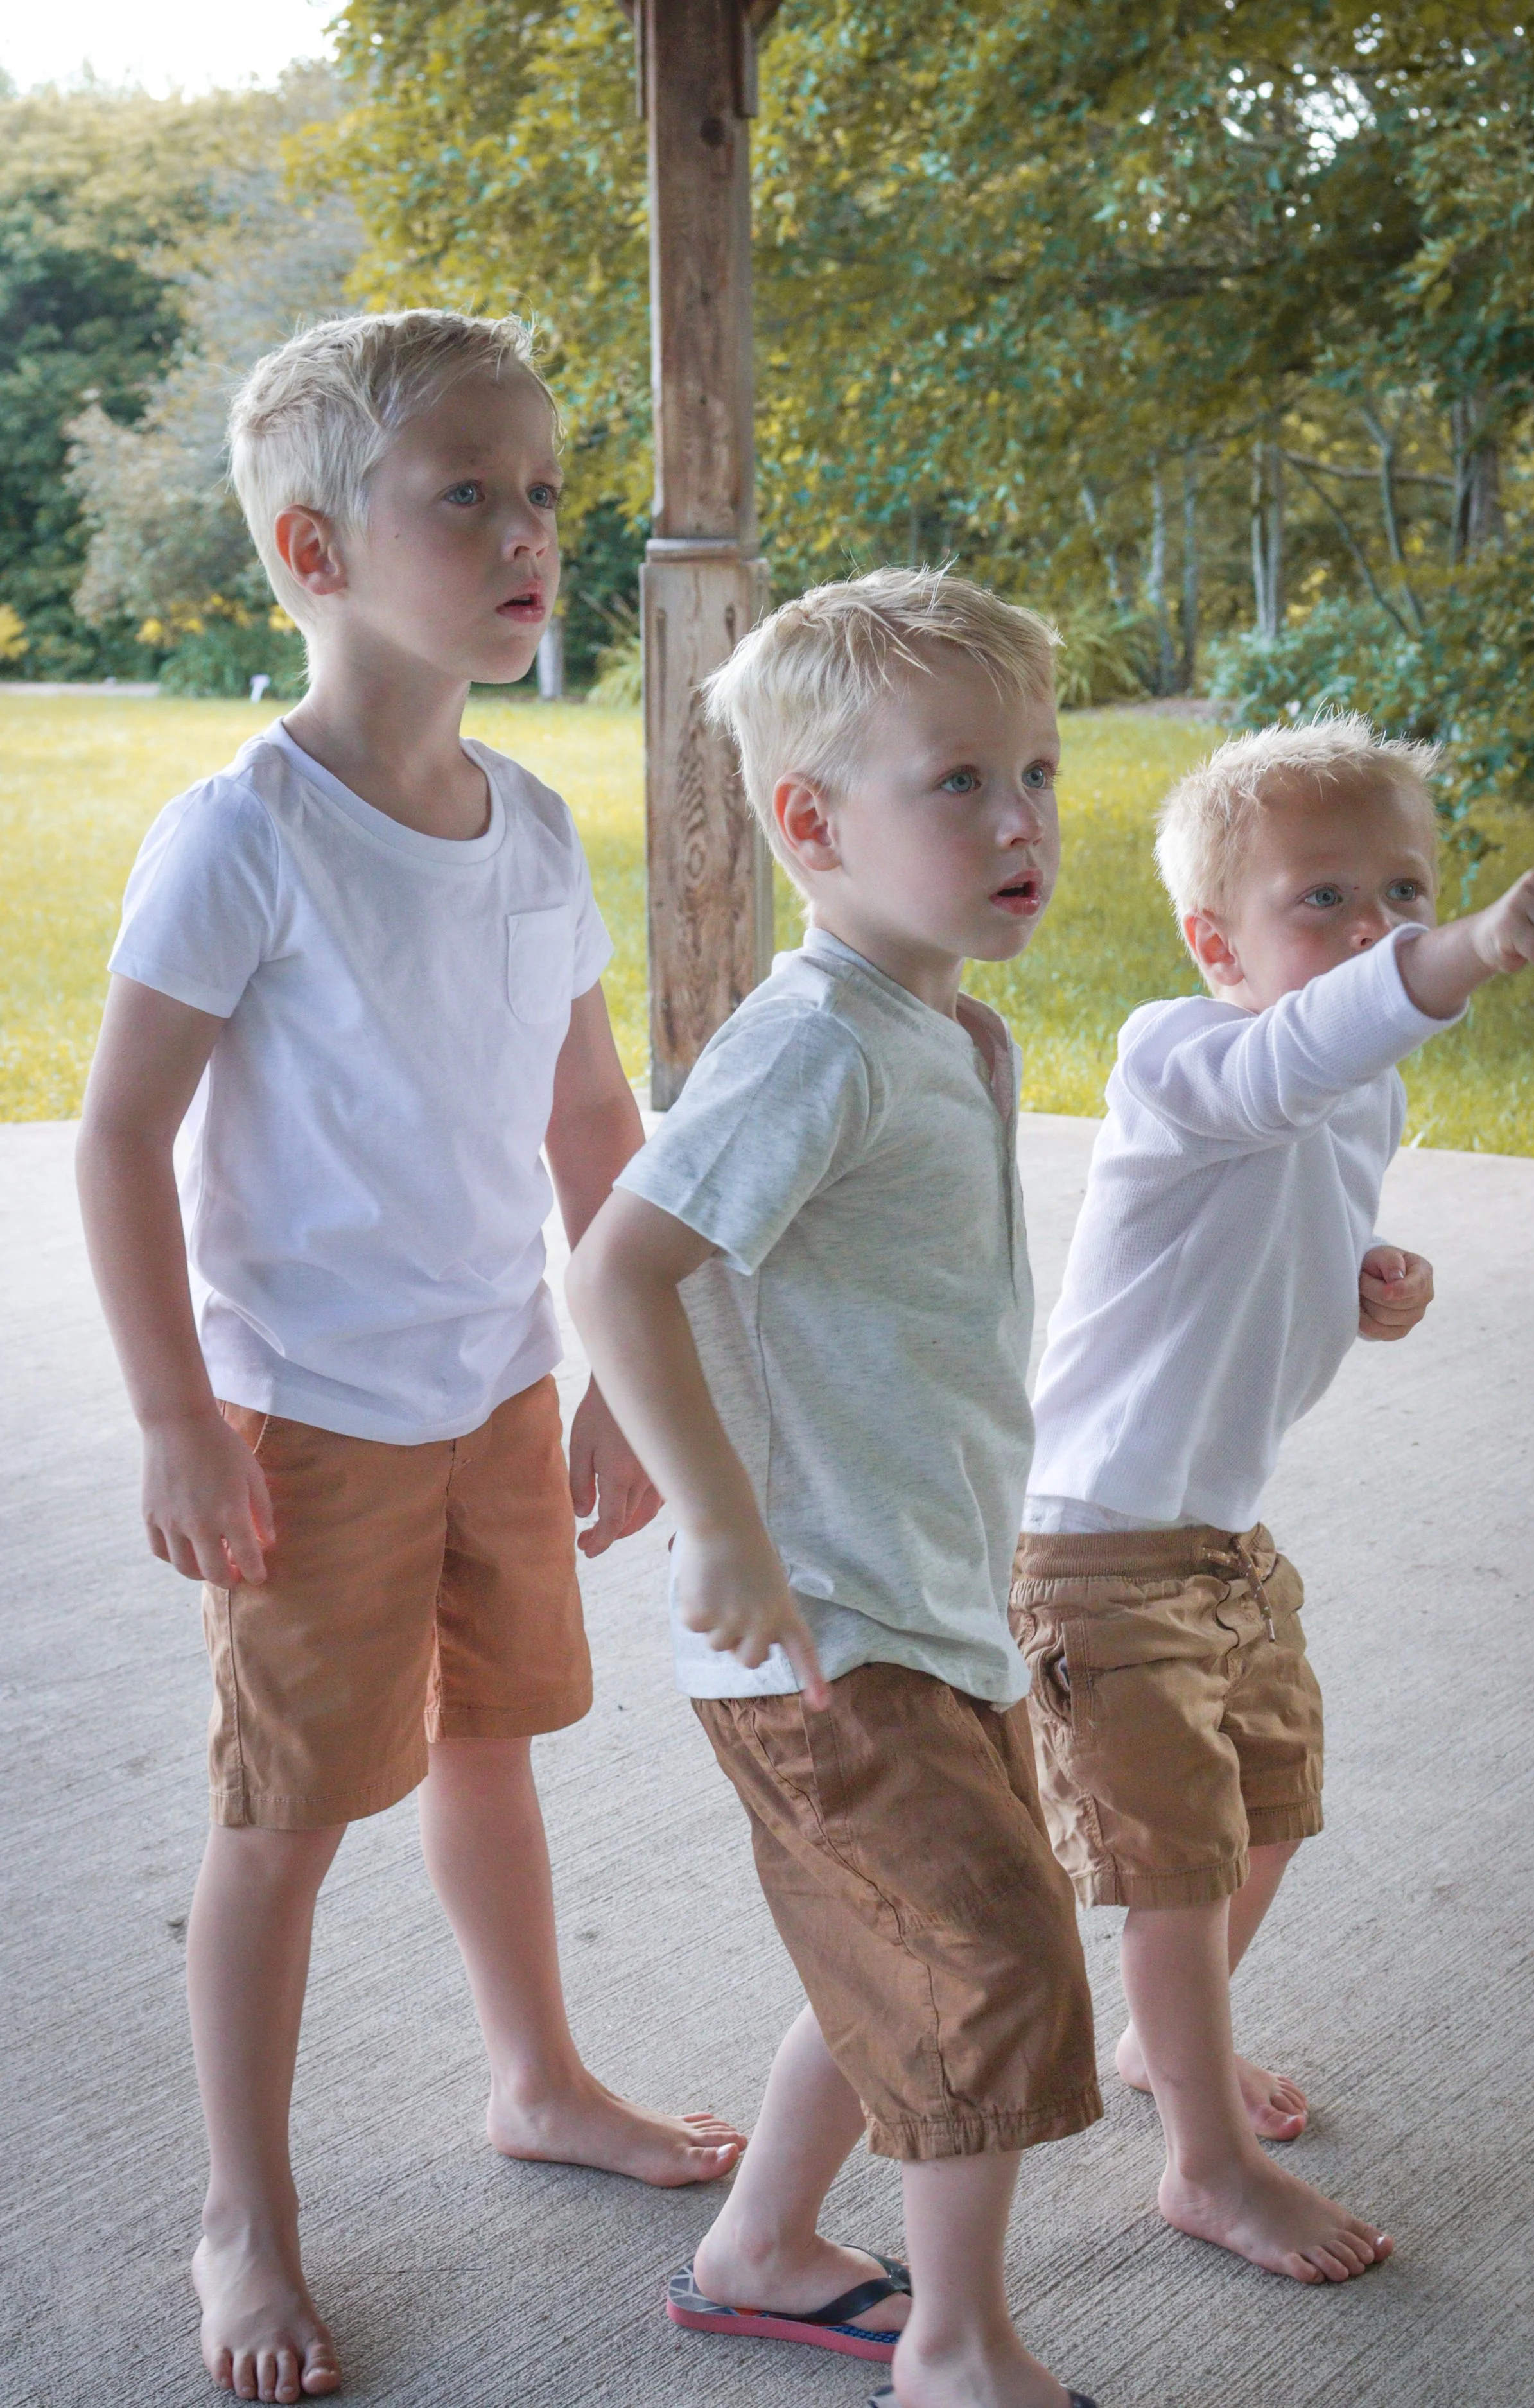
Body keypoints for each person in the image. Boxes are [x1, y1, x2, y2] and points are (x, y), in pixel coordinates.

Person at [75, 310, 745, 2408]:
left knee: (495, 1747)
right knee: (284, 1815)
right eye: (467, 494)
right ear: (313, 548)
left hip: (498, 1391)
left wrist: (622, 1377)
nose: (531, 531)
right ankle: (242, 2212)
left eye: (544, 491)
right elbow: (118, 1136)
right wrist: (176, 1414)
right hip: (307, 1418)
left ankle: (536, 2077)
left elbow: (592, 1124)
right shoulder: (247, 832)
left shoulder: (531, 830)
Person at [568, 568, 1103, 2408]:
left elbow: (740, 1267)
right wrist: (717, 1519)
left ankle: (760, 2250)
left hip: (926, 1591)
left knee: (900, 1941)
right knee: (983, 1961)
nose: (1019, 819)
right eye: (956, 781)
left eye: (1035, 772)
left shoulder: (946, 1029)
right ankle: (952, 2347)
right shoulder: (816, 1038)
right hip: (818, 1618)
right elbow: (622, 1261)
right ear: (807, 823)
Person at [1011, 714, 1534, 2285]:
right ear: (1213, 943)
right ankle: (1201, 2167)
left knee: (1267, 1810)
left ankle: (1162, 2045)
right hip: (1096, 1543)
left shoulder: (1361, 1091)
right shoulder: (1180, 1055)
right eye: (1321, 899)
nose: (1371, 929)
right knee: (1174, 1861)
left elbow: (1275, 1221)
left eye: (1403, 894)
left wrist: (1367, 1279)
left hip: (1215, 1536)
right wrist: (1462, 951)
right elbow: (1291, 1064)